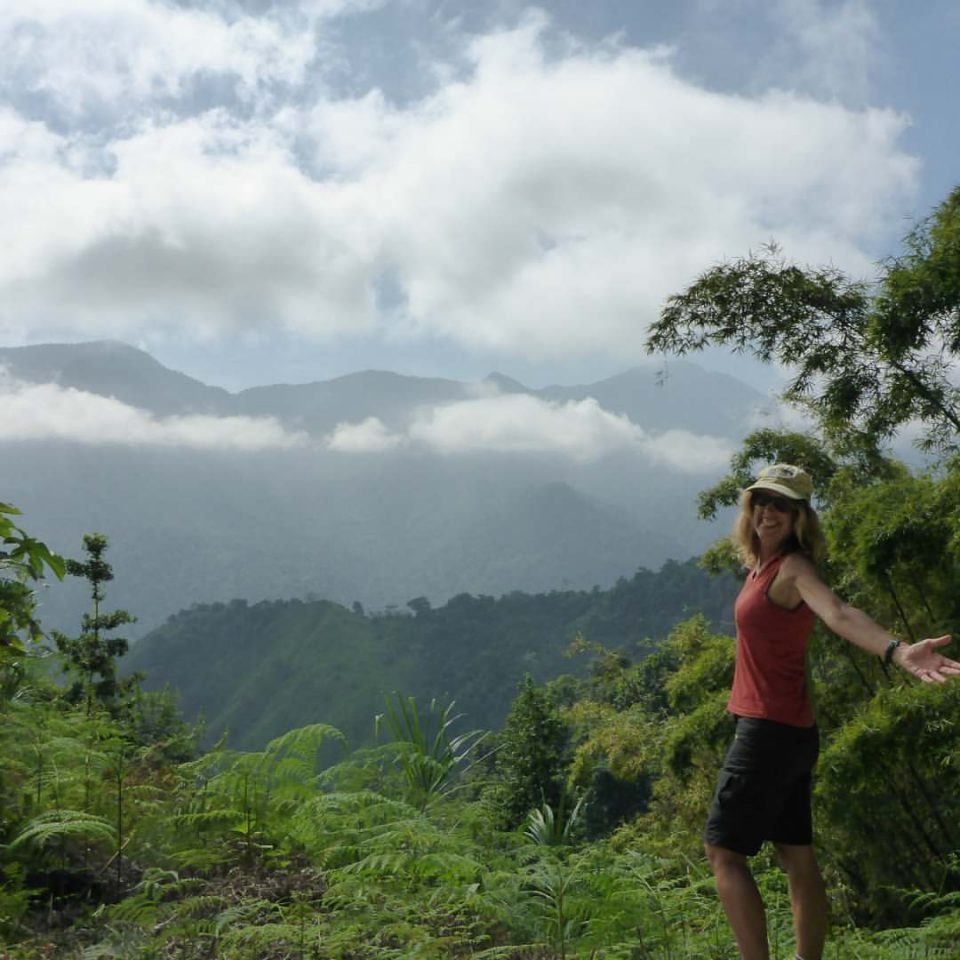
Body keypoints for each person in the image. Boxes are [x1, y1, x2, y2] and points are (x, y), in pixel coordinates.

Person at [703, 463, 960, 960]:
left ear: (800, 517)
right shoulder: (760, 566)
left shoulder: (793, 570)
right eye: (761, 501)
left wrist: (898, 650)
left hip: (767, 733)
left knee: (724, 853)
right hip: (794, 733)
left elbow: (839, 613)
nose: (768, 512)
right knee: (796, 854)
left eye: (781, 505)